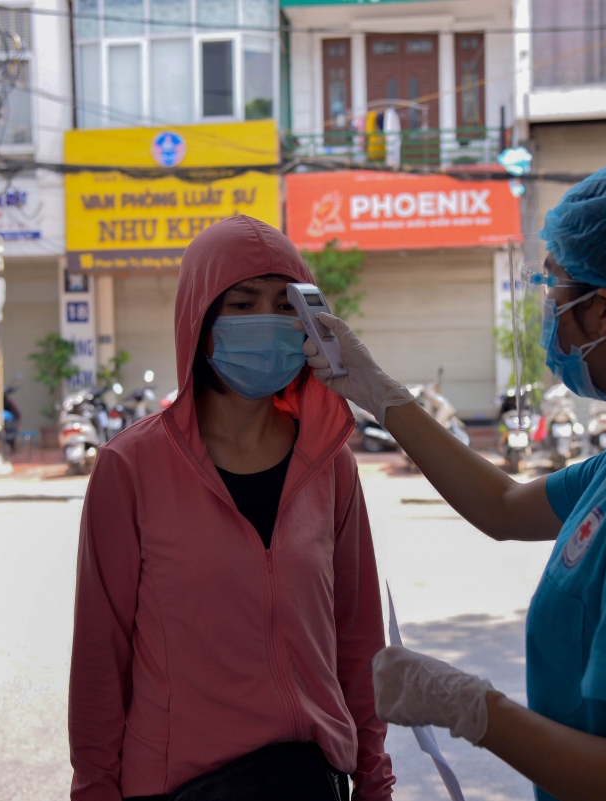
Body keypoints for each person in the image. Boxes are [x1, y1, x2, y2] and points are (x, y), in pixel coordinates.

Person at [297, 157, 606, 800]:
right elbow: (505, 505)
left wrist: (473, 708)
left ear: (601, 315)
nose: (547, 309)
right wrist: (380, 392)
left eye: (555, 286)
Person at [69, 216, 395, 801]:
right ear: (199, 318)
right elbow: (99, 659)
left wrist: (374, 778)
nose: (266, 322)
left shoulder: (330, 463)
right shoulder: (130, 469)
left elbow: (359, 637)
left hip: (310, 782)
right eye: (242, 304)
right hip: (180, 787)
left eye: (283, 305)